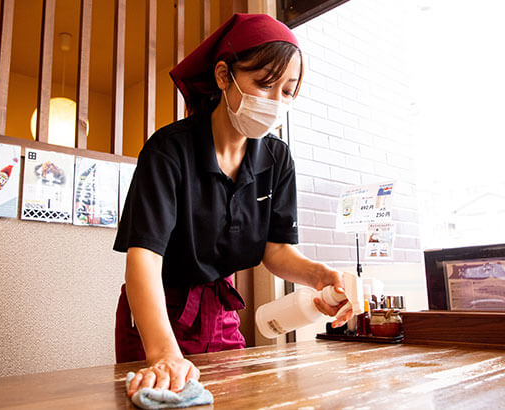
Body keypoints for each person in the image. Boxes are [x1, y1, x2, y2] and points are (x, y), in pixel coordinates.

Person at [113, 13, 353, 398]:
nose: (276, 103)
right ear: (224, 76)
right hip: (157, 314)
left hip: (221, 315)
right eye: (265, 84)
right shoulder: (169, 151)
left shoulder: (277, 159)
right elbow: (144, 258)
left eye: (288, 92)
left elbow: (274, 251)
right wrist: (162, 353)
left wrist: (317, 275)